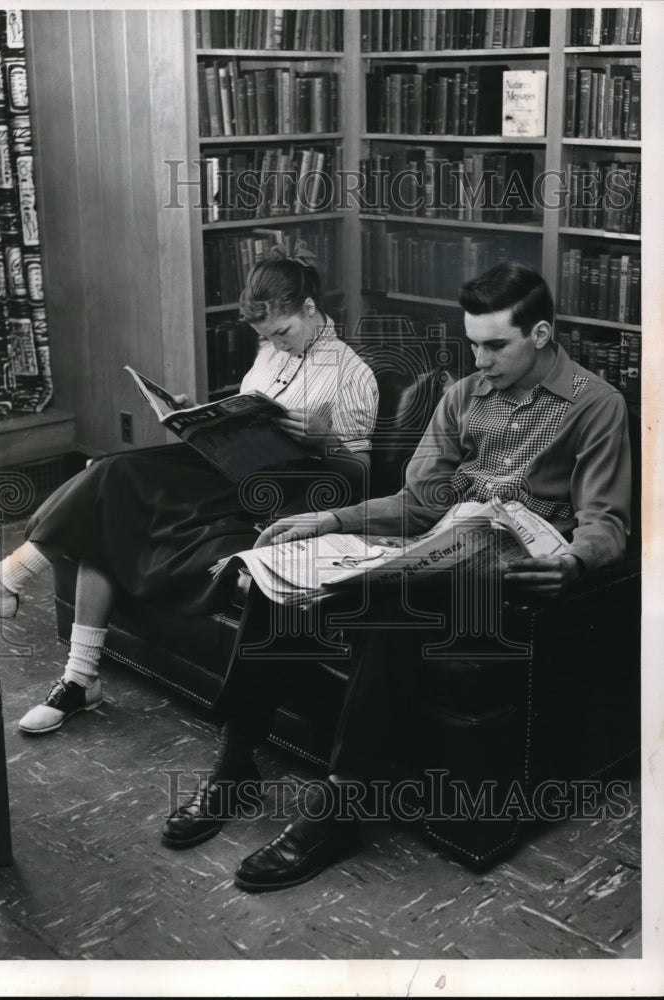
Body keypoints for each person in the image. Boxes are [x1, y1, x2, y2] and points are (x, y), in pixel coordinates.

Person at [162, 261, 632, 892]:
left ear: (542, 334)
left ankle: (340, 808)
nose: (480, 359)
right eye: (472, 343)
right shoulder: (464, 396)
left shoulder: (597, 405)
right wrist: (326, 518)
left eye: (496, 345)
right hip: (439, 543)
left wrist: (574, 561)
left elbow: (606, 521)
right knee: (284, 568)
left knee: (394, 595)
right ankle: (236, 761)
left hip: (510, 567)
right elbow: (416, 502)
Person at [0, 245, 379, 734]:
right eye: (266, 337)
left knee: (114, 488)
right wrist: (198, 416)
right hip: (230, 473)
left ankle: (19, 609)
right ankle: (73, 669)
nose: (276, 345)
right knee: (114, 480)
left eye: (281, 333)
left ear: (309, 309)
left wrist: (326, 441)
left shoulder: (352, 375)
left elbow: (359, 478)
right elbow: (252, 413)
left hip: (286, 495)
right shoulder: (268, 352)